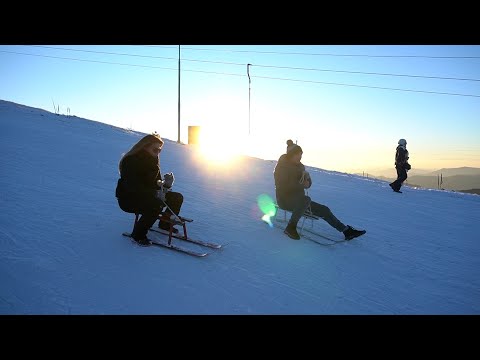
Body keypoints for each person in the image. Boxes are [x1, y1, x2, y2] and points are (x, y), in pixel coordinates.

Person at [273, 139, 366, 241]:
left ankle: (346, 231)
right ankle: (290, 227)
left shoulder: (300, 167)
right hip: (285, 200)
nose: (300, 157)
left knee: (324, 209)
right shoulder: (281, 167)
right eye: (298, 154)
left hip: (300, 201)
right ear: (291, 155)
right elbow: (281, 185)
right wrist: (300, 184)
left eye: (301, 154)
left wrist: (307, 182)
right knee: (306, 199)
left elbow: (307, 183)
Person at [115, 133, 184, 246]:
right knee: (155, 204)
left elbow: (155, 184)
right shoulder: (131, 161)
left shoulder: (153, 161)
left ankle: (164, 224)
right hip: (128, 199)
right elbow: (132, 186)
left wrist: (165, 185)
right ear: (145, 147)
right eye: (155, 149)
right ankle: (138, 235)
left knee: (177, 197)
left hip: (148, 195)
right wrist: (155, 193)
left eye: (159, 150)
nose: (158, 152)